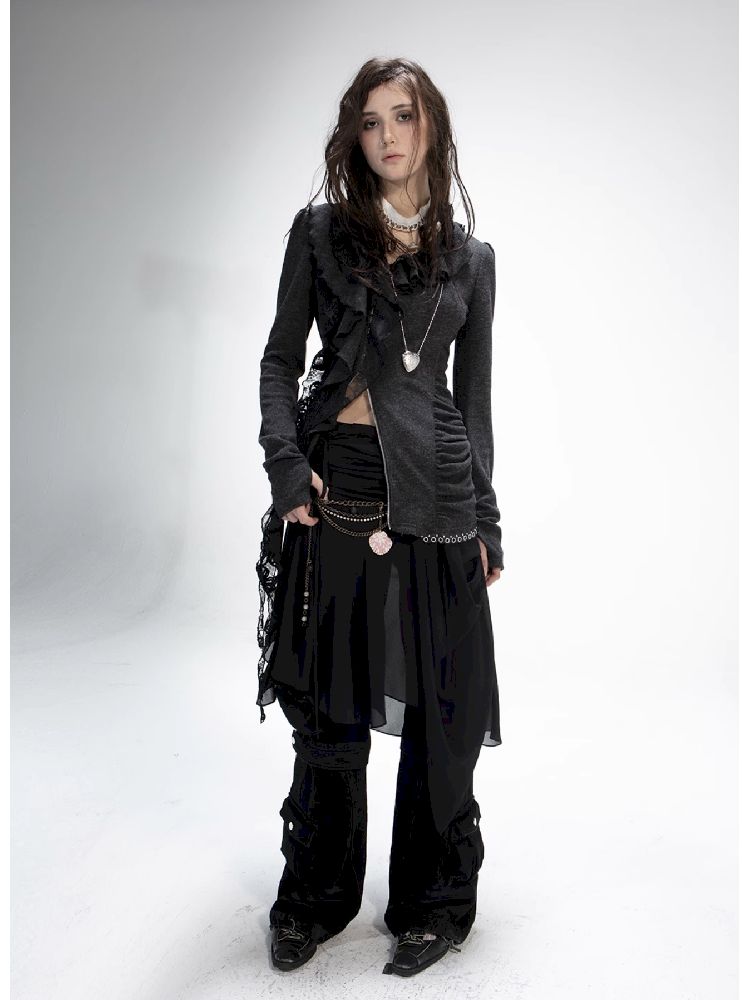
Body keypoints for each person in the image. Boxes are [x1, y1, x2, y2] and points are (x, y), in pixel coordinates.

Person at [255, 57, 505, 977]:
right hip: (337, 490)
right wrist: (288, 472)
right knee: (330, 712)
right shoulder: (321, 234)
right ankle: (315, 898)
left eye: (403, 116)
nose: (387, 136)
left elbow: (473, 406)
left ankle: (433, 903)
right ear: (354, 137)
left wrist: (488, 522)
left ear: (431, 126)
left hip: (440, 498)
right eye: (370, 121)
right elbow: (280, 363)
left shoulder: (472, 261)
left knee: (443, 711)